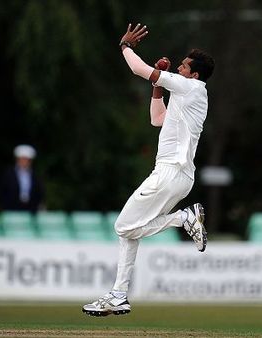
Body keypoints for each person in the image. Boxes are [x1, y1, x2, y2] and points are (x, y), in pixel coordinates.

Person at [82, 23, 215, 316]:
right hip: (179, 176)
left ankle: (184, 218)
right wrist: (158, 84)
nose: (177, 69)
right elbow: (157, 119)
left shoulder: (190, 87)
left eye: (182, 66)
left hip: (169, 173)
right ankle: (118, 294)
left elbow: (139, 70)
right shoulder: (186, 95)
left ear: (194, 74)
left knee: (122, 226)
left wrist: (125, 46)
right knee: (130, 233)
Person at [0, 144, 45, 212]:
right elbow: (2, 191)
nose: (24, 162)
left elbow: (40, 192)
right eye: (22, 159)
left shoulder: (35, 175)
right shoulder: (8, 174)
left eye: (27, 160)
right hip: (12, 209)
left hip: (31, 209)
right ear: (17, 160)